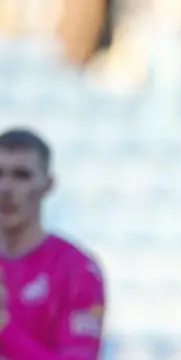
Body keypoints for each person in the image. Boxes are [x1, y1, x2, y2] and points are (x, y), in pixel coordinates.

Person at [0, 129, 105, 359]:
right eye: (0, 174)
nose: (6, 188)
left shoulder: (76, 269)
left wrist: (4, 327)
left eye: (21, 175)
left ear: (47, 184)